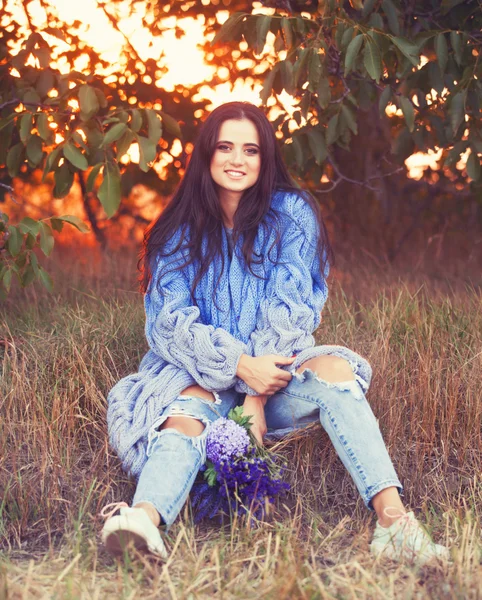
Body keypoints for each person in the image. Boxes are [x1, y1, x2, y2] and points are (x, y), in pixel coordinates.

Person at [100, 101, 449, 564]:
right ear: (206, 154)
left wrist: (255, 398)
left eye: (251, 149)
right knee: (185, 412)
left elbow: (291, 315)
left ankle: (394, 524)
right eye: (225, 147)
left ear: (265, 159)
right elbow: (169, 323)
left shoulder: (291, 215)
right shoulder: (177, 230)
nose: (237, 160)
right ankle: (142, 519)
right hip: (198, 372)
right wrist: (239, 366)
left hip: (275, 375)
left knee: (335, 368)